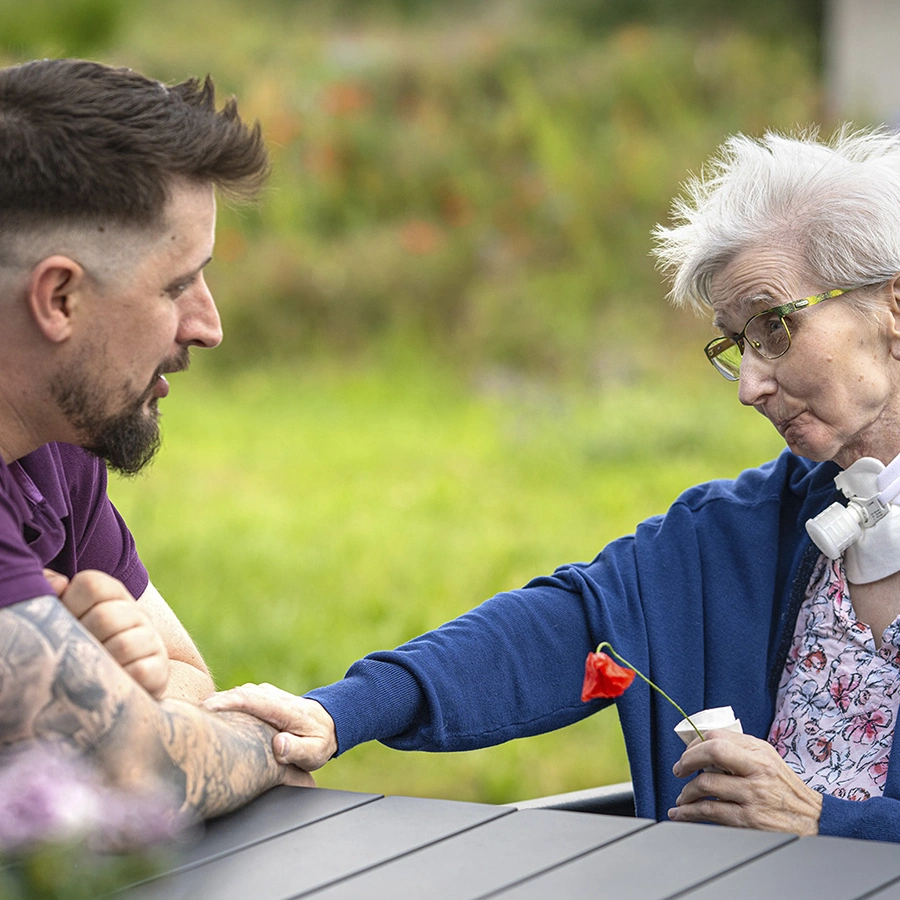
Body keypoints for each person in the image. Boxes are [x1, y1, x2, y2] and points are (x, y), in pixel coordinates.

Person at [208, 126, 900, 843]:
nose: (750, 385)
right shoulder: (751, 525)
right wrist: (337, 713)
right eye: (734, 344)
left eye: (774, 328)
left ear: (894, 305)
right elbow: (562, 629)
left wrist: (829, 823)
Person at [0, 57, 312, 820]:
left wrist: (110, 689)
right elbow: (144, 771)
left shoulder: (52, 441)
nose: (209, 326)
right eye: (177, 286)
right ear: (59, 296)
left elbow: (180, 673)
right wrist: (269, 743)